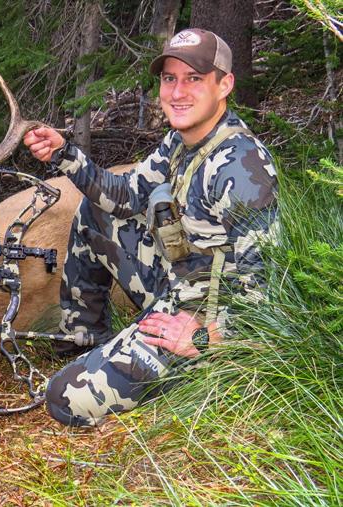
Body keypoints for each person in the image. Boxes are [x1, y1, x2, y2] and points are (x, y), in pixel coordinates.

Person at [23, 29, 278, 426]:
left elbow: (266, 295)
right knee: (95, 215)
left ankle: (189, 371)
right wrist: (63, 153)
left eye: (194, 78)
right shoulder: (181, 141)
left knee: (63, 399)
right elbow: (123, 196)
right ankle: (84, 341)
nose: (178, 91)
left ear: (224, 84)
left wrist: (200, 338)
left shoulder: (241, 169)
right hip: (178, 281)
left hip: (207, 322)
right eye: (169, 78)